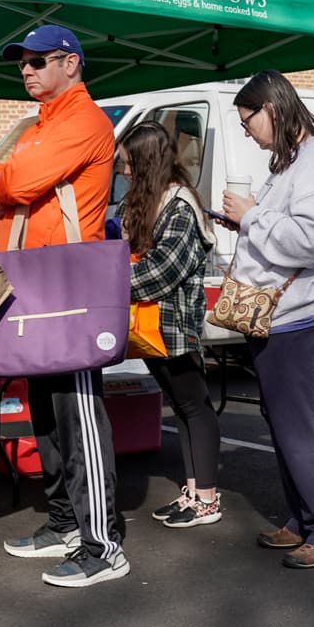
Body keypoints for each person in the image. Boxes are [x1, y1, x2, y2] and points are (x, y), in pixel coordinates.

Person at [0, 25, 128, 587]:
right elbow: (0, 189)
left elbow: (13, 183)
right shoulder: (44, 124)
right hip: (39, 286)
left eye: (39, 61)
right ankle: (65, 522)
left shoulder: (83, 119)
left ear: (71, 63)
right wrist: (1, 185)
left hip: (68, 289)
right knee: (45, 410)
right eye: (23, 62)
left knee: (77, 411)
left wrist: (0, 184)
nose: (27, 69)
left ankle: (104, 545)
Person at [221, 70, 314, 569]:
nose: (244, 130)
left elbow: (313, 239)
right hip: (293, 315)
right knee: (289, 427)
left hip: (309, 316)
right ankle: (306, 521)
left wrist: (251, 217)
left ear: (272, 110)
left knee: (305, 428)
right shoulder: (297, 162)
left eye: (247, 119)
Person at [117, 122, 222, 528]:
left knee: (194, 406)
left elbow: (164, 271)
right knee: (182, 406)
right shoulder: (154, 200)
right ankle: (195, 492)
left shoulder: (179, 206)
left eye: (128, 164)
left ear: (146, 163)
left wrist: (110, 287)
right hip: (154, 324)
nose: (124, 171)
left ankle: (208, 499)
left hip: (174, 324)